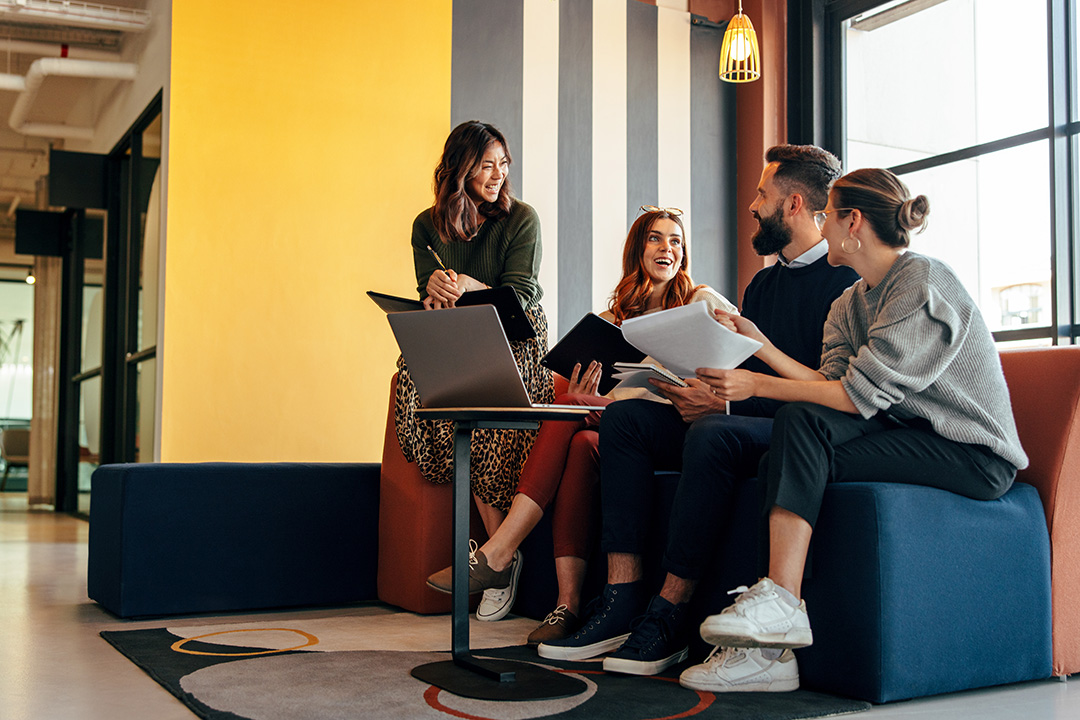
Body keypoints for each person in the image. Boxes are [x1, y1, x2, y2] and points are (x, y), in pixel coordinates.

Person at [682, 168, 1026, 693]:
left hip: (971, 452)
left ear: (853, 222)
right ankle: (771, 654)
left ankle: (780, 605)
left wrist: (756, 384)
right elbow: (830, 383)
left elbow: (851, 397)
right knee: (781, 455)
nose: (819, 226)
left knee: (798, 426)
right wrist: (760, 347)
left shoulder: (922, 282)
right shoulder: (850, 302)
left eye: (827, 215)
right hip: (909, 433)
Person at [538, 145, 860, 680]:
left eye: (762, 194)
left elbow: (825, 392)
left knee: (712, 434)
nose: (752, 206)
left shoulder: (843, 284)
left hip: (795, 429)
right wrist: (694, 390)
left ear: (795, 204)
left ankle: (668, 615)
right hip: (737, 411)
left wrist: (725, 403)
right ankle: (620, 599)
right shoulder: (762, 284)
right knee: (625, 423)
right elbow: (733, 365)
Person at [426, 206, 737, 643]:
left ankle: (499, 552)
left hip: (677, 423)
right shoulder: (613, 320)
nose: (667, 247)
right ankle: (566, 606)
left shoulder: (700, 300)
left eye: (676, 240)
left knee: (570, 404)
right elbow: (614, 395)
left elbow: (736, 352)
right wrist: (587, 388)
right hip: (619, 427)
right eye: (655, 238)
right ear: (637, 250)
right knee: (578, 435)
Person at [394, 121, 553, 607]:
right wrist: (435, 292)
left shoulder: (521, 218)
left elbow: (523, 297)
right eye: (487, 164)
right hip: (458, 333)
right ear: (460, 167)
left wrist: (466, 283)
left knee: (478, 403)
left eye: (504, 163)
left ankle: (495, 560)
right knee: (420, 386)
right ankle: (499, 560)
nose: (498, 174)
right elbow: (429, 290)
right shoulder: (427, 224)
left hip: (515, 335)